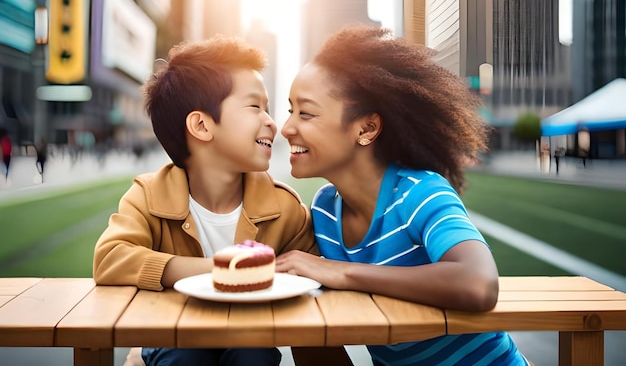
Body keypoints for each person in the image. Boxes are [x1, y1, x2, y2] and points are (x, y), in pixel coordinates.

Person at [276, 25, 531, 365]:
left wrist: (340, 272)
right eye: (290, 110)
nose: (286, 127)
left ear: (366, 129)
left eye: (305, 112)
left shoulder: (419, 193)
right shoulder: (323, 210)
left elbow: (478, 284)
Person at [93, 36, 321, 366]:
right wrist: (220, 272)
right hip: (173, 335)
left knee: (254, 353)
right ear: (202, 125)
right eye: (255, 106)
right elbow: (110, 258)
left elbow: (312, 287)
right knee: (186, 351)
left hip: (250, 337)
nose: (273, 123)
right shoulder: (148, 195)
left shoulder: (284, 207)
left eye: (268, 109)